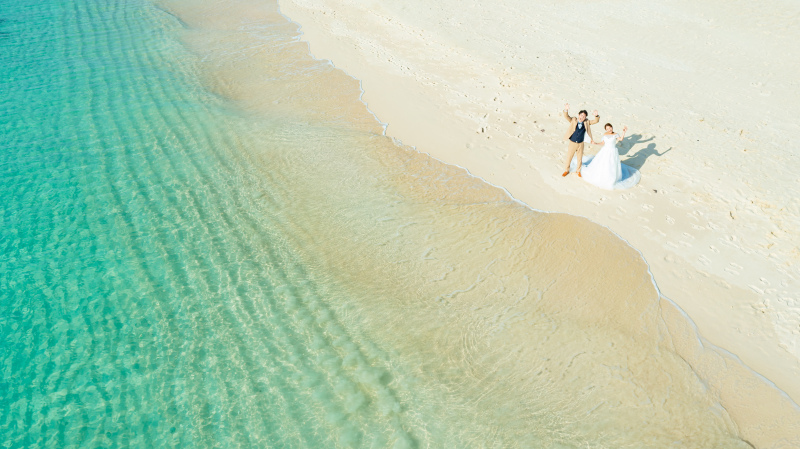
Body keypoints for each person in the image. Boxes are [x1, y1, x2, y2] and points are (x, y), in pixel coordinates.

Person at [576, 123, 641, 190]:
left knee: (611, 164)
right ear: (606, 130)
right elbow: (602, 143)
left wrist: (624, 132)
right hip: (604, 150)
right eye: (607, 129)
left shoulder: (615, 134)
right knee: (602, 163)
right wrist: (596, 143)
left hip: (612, 151)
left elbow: (621, 139)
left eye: (610, 128)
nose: (609, 129)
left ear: (612, 127)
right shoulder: (605, 134)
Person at [561, 103, 599, 177]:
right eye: (581, 115)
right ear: (579, 115)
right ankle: (566, 170)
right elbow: (566, 116)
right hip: (572, 142)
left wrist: (596, 116)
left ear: (585, 118)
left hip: (581, 143)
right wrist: (566, 109)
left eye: (584, 116)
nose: (582, 117)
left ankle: (578, 171)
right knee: (569, 157)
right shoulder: (573, 120)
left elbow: (595, 121)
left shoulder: (586, 122)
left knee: (579, 158)